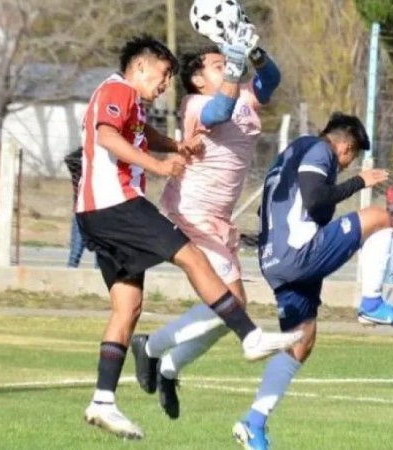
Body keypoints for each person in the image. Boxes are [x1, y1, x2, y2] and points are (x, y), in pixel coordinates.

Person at [75, 34, 301, 441]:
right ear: (140, 66)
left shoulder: (133, 102)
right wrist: (159, 166)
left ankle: (103, 400)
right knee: (191, 257)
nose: (164, 84)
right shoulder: (119, 89)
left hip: (97, 213)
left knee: (127, 307)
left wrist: (175, 145)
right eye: (163, 74)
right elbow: (108, 136)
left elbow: (140, 131)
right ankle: (250, 337)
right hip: (118, 204)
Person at [232, 113, 393, 450]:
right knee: (381, 217)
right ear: (345, 146)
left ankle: (253, 424)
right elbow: (317, 197)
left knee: (300, 342)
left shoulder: (288, 157)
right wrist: (359, 182)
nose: (347, 165)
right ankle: (372, 303)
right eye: (351, 158)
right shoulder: (320, 151)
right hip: (299, 254)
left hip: (274, 261)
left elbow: (269, 211)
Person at [130, 24, 282, 420]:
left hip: (219, 218)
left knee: (226, 312)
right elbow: (220, 110)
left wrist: (254, 52)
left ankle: (166, 365)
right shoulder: (197, 105)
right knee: (232, 306)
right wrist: (235, 63)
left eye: (226, 62)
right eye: (217, 64)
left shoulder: (245, 95)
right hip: (192, 211)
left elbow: (271, 78)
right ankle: (151, 348)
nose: (227, 67)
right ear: (198, 79)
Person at [64, 147, 97, 269]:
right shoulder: (78, 168)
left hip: (100, 214)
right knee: (75, 254)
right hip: (82, 213)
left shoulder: (104, 171)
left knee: (101, 255)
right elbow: (69, 159)